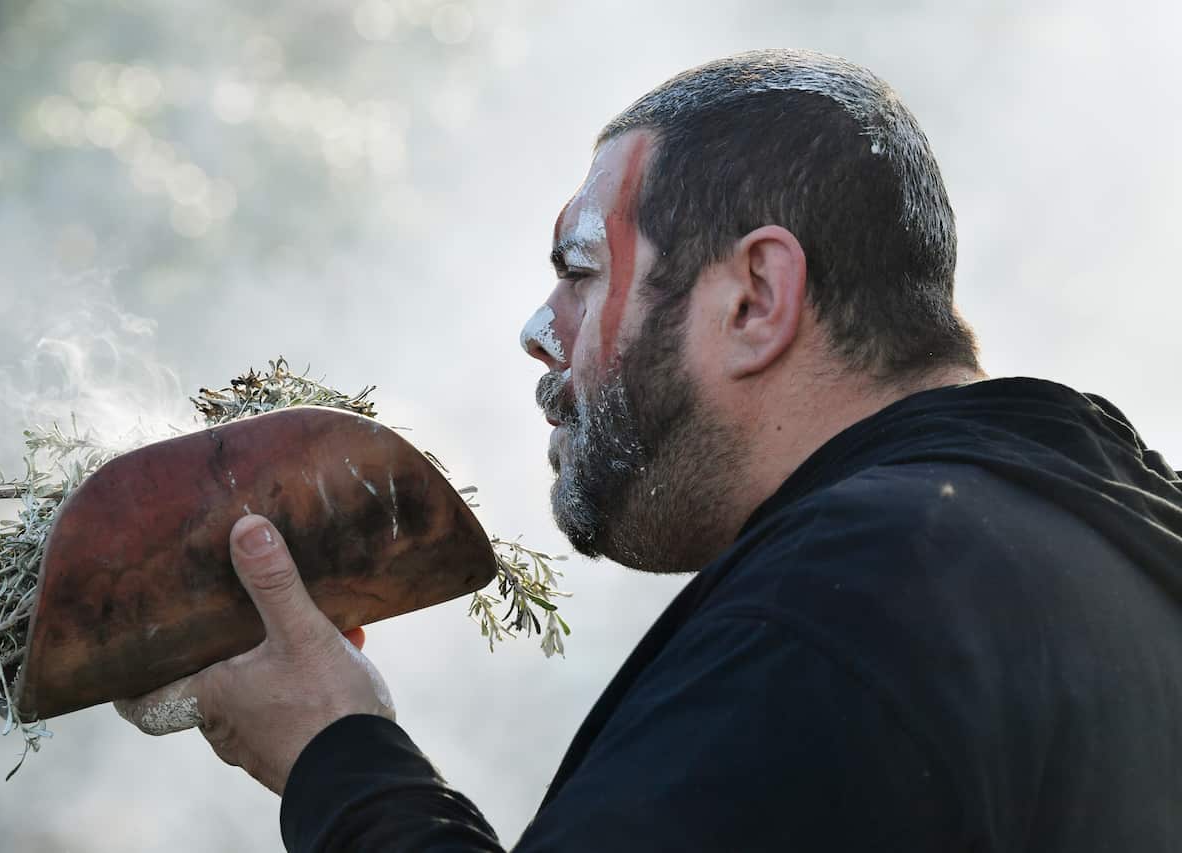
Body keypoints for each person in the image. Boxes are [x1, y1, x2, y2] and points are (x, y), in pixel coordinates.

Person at [117, 49, 1182, 851]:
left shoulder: (853, 596)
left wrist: (331, 753)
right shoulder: (1100, 539)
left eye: (580, 270)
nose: (539, 329)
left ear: (754, 298)